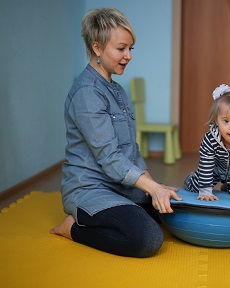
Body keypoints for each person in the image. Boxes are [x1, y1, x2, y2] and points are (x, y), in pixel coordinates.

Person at [50, 8, 182, 258]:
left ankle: (130, 207)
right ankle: (72, 228)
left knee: (175, 208)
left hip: (120, 186)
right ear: (97, 48)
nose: (129, 56)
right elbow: (110, 157)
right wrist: (152, 190)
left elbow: (131, 151)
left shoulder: (117, 90)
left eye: (131, 49)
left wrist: (154, 186)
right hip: (89, 190)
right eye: (121, 49)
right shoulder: (86, 93)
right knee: (148, 238)